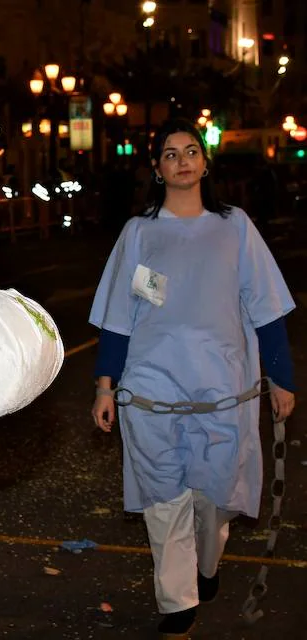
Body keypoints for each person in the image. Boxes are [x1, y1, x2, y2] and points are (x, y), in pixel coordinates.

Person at [88, 119, 296, 638]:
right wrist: (105, 385)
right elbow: (118, 315)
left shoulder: (234, 227)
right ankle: (177, 603)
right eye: (170, 154)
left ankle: (207, 566)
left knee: (215, 499)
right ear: (157, 169)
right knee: (164, 498)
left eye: (191, 151)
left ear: (205, 163)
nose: (182, 160)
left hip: (225, 389)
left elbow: (266, 306)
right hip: (151, 389)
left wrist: (282, 377)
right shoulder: (140, 233)